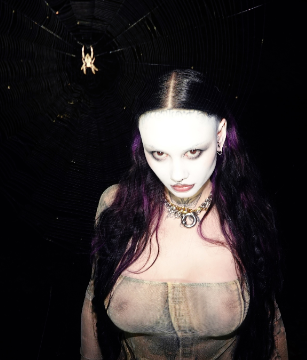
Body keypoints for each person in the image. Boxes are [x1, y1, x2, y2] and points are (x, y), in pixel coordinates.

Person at [81, 69, 288, 359]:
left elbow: (269, 324)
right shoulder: (117, 206)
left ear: (220, 135)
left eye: (193, 152)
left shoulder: (245, 214)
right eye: (159, 154)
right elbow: (93, 303)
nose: (177, 174)